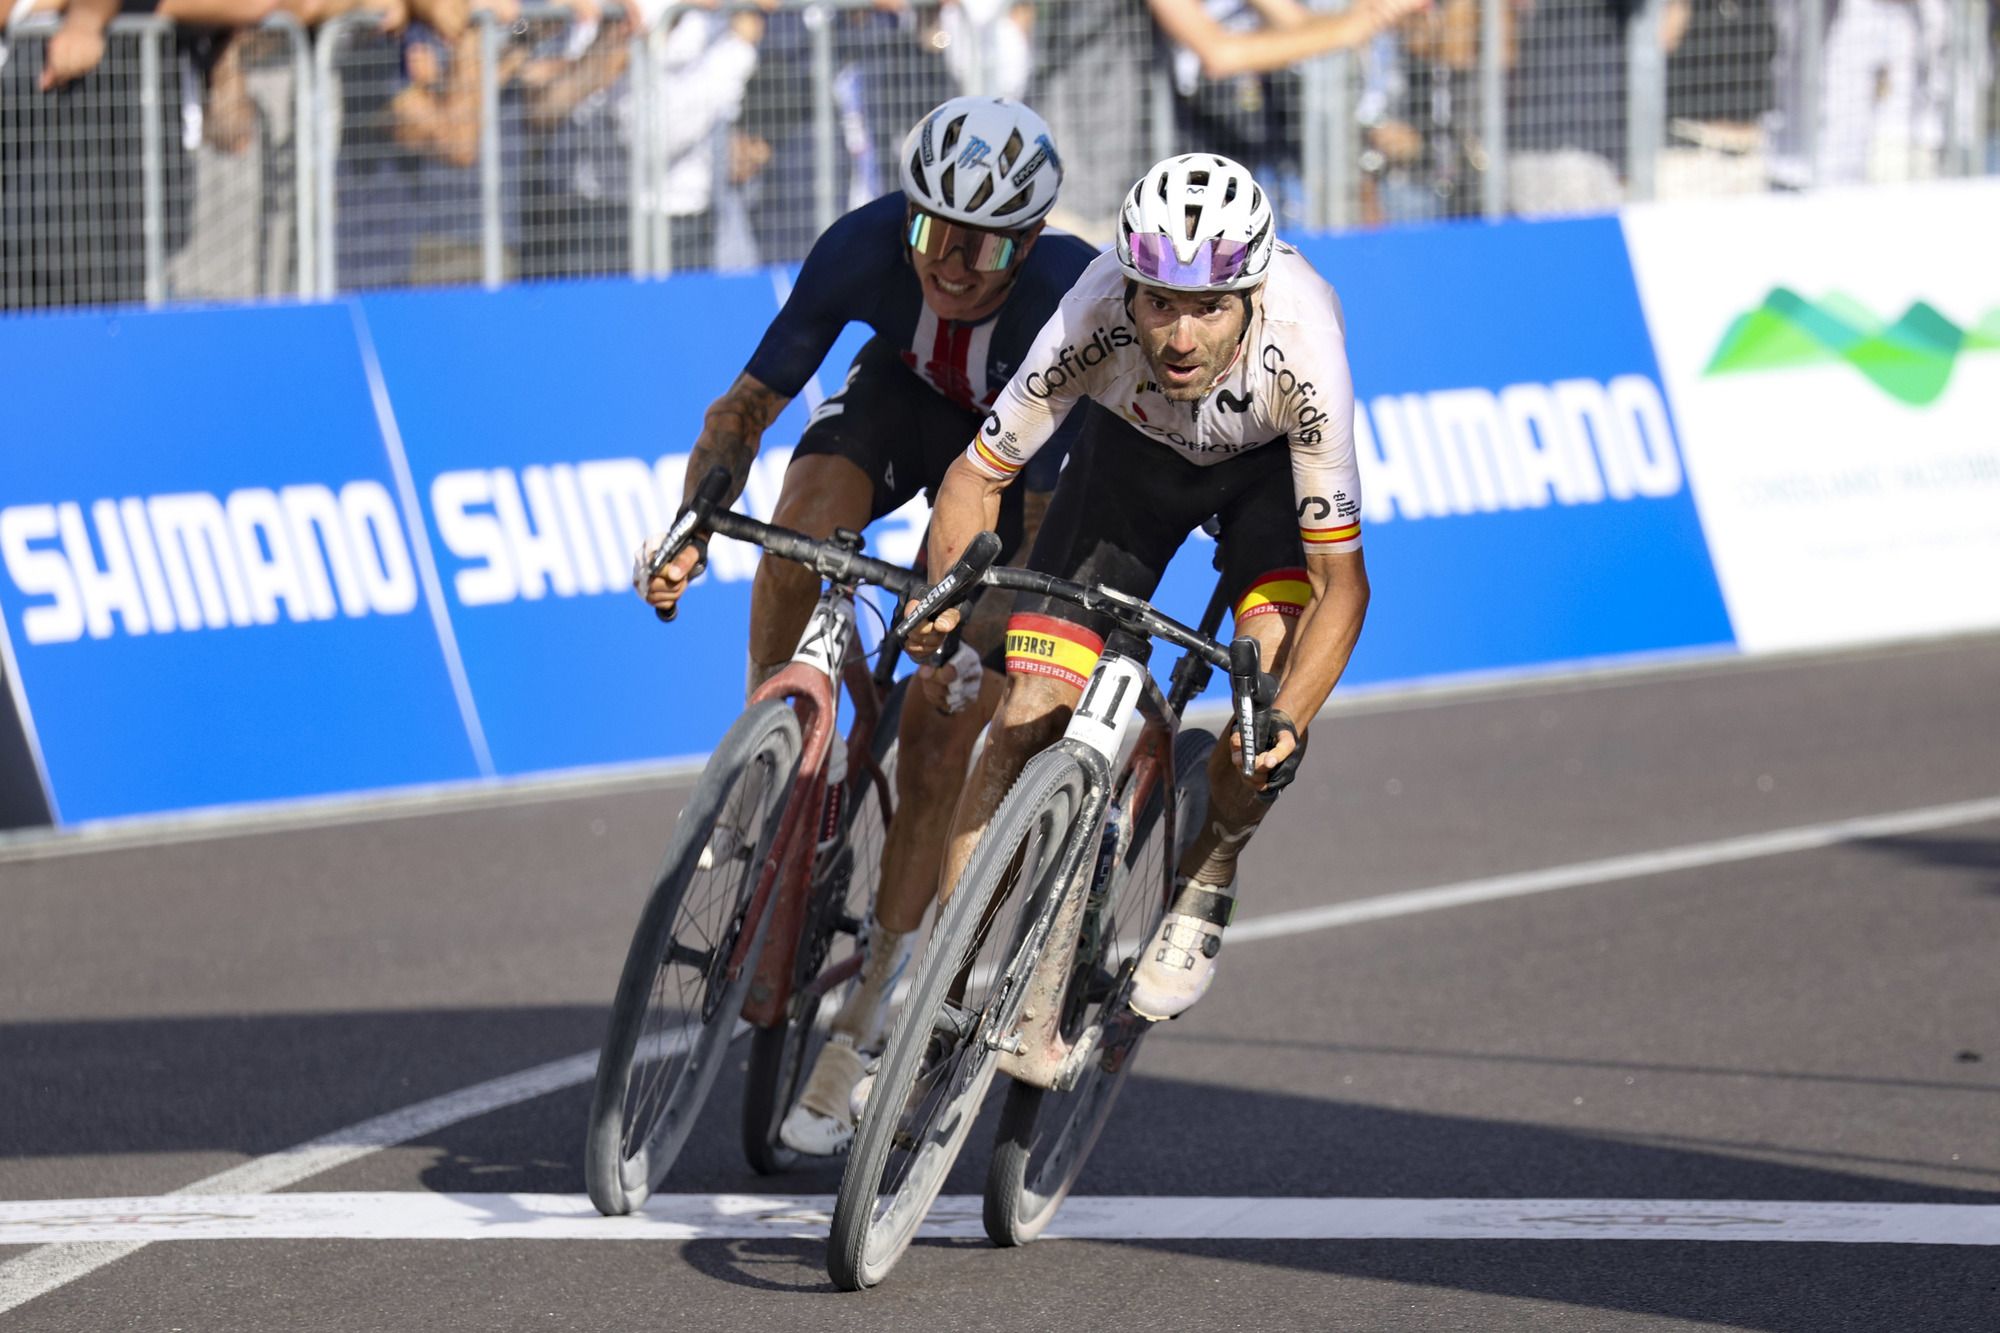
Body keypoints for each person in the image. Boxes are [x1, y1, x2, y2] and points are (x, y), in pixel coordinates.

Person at [633, 96, 1094, 1155]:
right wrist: (691, 524)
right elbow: (742, 409)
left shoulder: (1065, 299)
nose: (948, 261)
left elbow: (1018, 517)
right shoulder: (863, 242)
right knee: (799, 526)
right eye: (932, 232)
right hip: (900, 400)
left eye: (979, 246)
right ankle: (781, 737)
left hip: (1016, 471)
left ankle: (867, 1006)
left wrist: (962, 626)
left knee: (940, 719)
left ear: (1025, 244)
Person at [905, 152, 1370, 1022]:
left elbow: (1338, 581)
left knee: (1257, 702)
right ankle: (941, 979)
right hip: (1130, 461)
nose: (1180, 337)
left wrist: (1287, 723)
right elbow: (978, 477)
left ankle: (1210, 870)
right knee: (1023, 711)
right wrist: (945, 601)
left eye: (1208, 309)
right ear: (1129, 290)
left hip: (1264, 477)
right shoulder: (1088, 313)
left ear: (1252, 296)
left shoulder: (1305, 353)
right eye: (1160, 304)